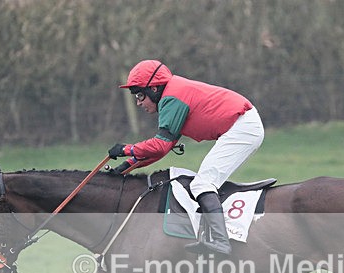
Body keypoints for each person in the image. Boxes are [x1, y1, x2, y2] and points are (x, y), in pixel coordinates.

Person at [108, 59, 264, 255]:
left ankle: (220, 241)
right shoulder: (172, 95)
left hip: (242, 128)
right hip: (242, 126)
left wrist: (126, 149)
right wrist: (125, 167)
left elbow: (159, 146)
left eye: (140, 95)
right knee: (203, 183)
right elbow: (162, 148)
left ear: (154, 89)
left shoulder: (173, 98)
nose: (138, 102)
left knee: (202, 184)